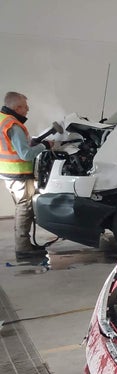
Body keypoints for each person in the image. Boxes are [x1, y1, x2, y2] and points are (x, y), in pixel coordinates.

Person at [1, 91, 52, 261]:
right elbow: (25, 154)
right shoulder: (14, 125)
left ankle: (25, 245)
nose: (28, 110)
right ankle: (23, 248)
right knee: (24, 209)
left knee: (22, 208)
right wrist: (44, 145)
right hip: (18, 174)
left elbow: (13, 147)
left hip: (8, 172)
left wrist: (32, 143)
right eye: (25, 107)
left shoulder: (3, 119)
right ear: (17, 107)